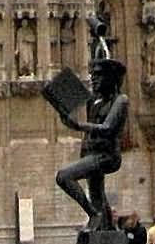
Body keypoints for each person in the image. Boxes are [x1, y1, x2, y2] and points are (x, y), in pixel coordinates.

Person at [54, 57, 130, 225]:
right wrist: (63, 112)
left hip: (106, 155)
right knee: (97, 196)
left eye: (98, 75)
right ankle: (107, 227)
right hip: (92, 152)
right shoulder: (95, 102)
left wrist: (79, 125)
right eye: (92, 75)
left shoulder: (120, 100)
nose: (93, 79)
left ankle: (93, 214)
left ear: (110, 78)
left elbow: (108, 127)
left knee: (64, 177)